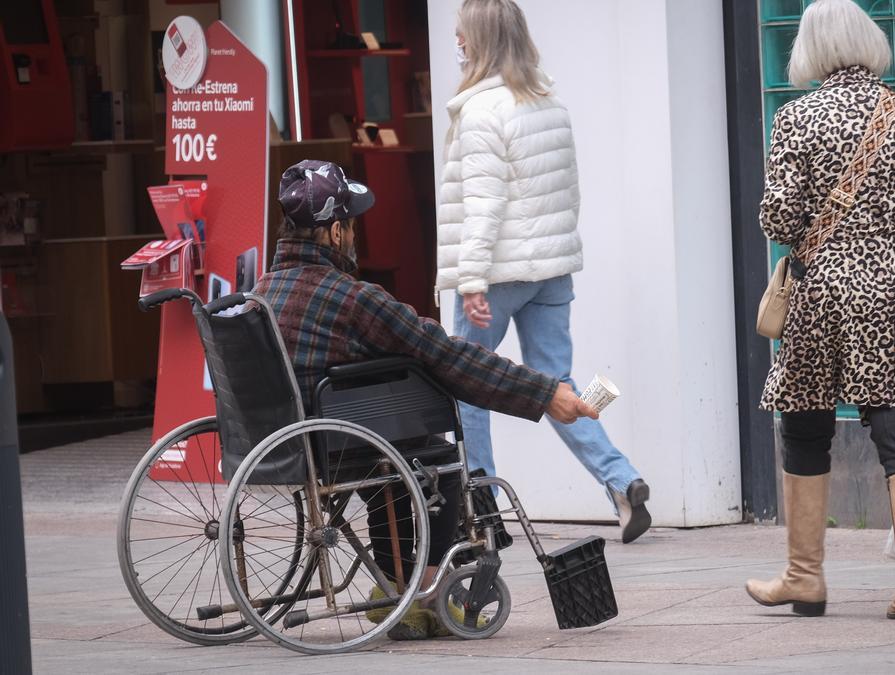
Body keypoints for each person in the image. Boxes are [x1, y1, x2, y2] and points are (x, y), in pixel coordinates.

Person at [255, 159, 598, 639]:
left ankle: (392, 585)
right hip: (333, 444)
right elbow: (447, 355)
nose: (354, 235)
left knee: (390, 457)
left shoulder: (261, 293)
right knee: (437, 460)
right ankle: (427, 590)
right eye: (350, 225)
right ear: (334, 233)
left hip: (281, 442)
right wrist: (544, 394)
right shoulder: (351, 298)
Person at [744, 0, 895, 623]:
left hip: (830, 295)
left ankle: (805, 577)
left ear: (810, 49)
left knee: (806, 424)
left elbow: (779, 219)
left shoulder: (796, 118)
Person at [435, 0, 651, 543]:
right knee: (555, 383)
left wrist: (473, 279)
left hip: (496, 274)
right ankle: (621, 481)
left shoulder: (482, 112)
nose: (455, 44)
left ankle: (480, 507)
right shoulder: (548, 102)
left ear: (477, 42)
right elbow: (570, 193)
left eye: (461, 35)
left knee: (469, 385)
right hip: (551, 273)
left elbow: (483, 205)